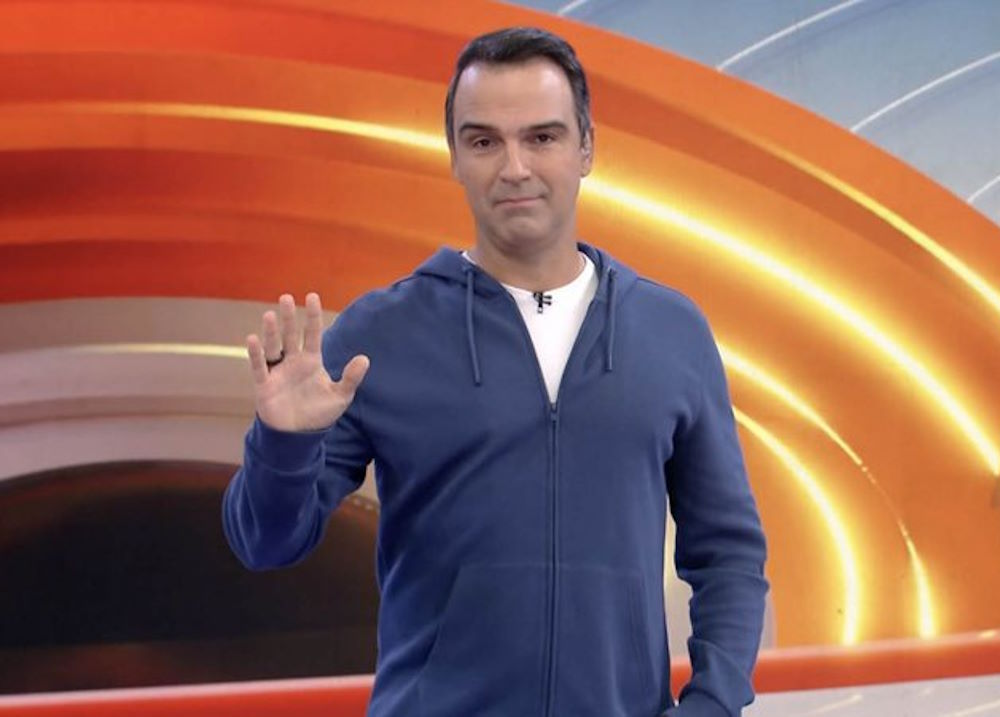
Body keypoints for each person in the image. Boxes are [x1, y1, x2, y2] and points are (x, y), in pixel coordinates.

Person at [223, 26, 768, 717]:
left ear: (586, 148)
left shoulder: (671, 331)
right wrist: (283, 443)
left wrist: (713, 705)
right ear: (454, 155)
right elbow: (265, 542)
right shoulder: (377, 334)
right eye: (484, 141)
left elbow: (728, 553)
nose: (514, 167)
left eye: (542, 137)